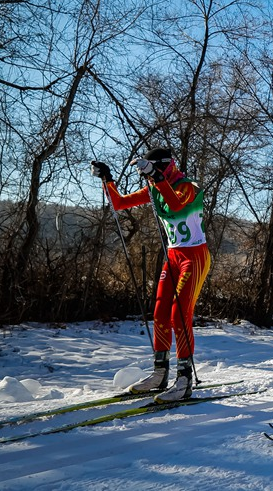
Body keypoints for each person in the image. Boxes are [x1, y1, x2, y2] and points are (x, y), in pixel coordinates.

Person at [91, 148, 211, 402]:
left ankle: (185, 379)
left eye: (152, 170)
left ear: (165, 167)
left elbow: (177, 206)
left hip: (195, 256)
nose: (147, 177)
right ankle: (160, 373)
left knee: (180, 315)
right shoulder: (155, 187)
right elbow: (119, 203)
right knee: (159, 314)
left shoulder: (188, 186)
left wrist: (156, 178)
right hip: (173, 256)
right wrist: (108, 180)